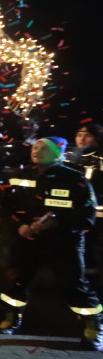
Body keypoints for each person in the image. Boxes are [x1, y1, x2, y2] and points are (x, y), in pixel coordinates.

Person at [0, 137, 103, 350]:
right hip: (26, 240)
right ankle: (11, 320)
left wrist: (55, 223)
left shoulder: (74, 179)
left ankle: (93, 330)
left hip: (63, 242)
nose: (37, 151)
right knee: (17, 280)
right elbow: (4, 206)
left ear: (58, 153)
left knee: (73, 285)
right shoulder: (19, 175)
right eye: (35, 147)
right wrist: (19, 225)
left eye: (44, 148)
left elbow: (86, 215)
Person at [68, 123, 103, 288]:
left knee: (91, 246)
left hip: (95, 212)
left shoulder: (100, 159)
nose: (81, 139)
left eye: (87, 135)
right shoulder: (70, 156)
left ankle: (90, 284)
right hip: (74, 209)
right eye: (79, 135)